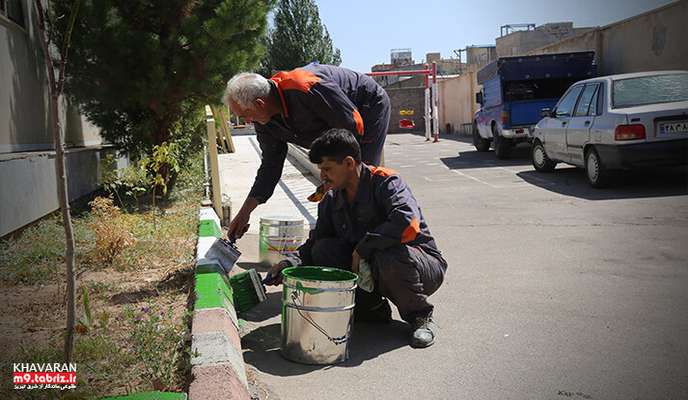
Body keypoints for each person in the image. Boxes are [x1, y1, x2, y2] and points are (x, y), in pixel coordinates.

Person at [267, 128, 447, 348]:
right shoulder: (330, 198)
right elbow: (316, 243)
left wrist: (363, 248)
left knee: (387, 254)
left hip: (419, 266)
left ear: (349, 163)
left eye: (327, 169)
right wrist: (289, 263)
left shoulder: (387, 182)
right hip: (369, 268)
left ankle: (419, 316)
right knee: (324, 249)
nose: (322, 176)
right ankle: (371, 308)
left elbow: (407, 224)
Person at [223, 63, 390, 239]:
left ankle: (369, 240)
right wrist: (245, 212)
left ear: (259, 103)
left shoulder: (305, 88)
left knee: (358, 178)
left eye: (244, 116)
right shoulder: (264, 121)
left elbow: (352, 127)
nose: (247, 121)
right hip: (339, 124)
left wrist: (336, 175)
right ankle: (342, 238)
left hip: (366, 107)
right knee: (340, 184)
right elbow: (270, 166)